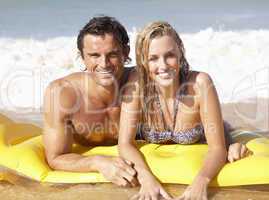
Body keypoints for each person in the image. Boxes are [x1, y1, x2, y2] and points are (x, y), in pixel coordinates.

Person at [118, 21, 250, 200]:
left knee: (228, 140)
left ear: (180, 53)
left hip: (213, 133)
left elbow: (217, 148)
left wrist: (201, 181)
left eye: (170, 55)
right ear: (143, 61)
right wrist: (145, 176)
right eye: (153, 58)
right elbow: (124, 143)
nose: (163, 65)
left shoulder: (200, 83)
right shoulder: (137, 85)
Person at [43, 16, 137, 187]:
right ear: (82, 57)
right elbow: (56, 157)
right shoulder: (62, 94)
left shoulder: (141, 84)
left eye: (112, 54)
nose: (104, 64)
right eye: (94, 55)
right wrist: (98, 162)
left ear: (126, 53)